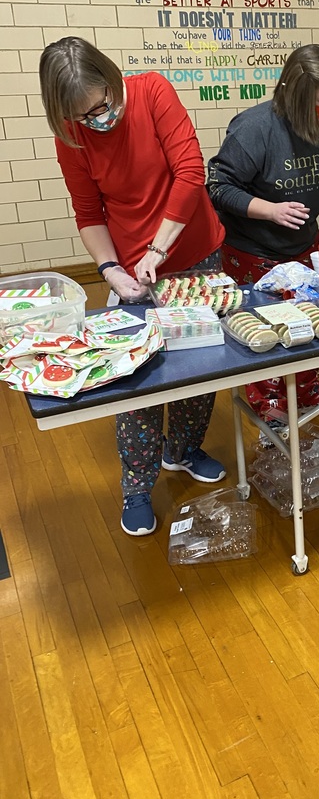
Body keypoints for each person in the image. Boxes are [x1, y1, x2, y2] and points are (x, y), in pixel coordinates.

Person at [39, 36, 227, 537]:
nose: (98, 119)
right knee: (137, 379)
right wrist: (110, 271)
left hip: (191, 249)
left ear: (112, 79)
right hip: (130, 269)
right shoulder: (72, 136)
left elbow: (190, 173)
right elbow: (88, 211)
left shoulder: (151, 93)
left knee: (199, 363)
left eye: (102, 105)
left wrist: (159, 250)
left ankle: (183, 451)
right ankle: (137, 487)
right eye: (83, 116)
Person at [207, 43, 319, 424]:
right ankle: (267, 405)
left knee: (309, 322)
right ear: (294, 94)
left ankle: (307, 392)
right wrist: (269, 210)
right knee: (264, 333)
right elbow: (219, 187)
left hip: (304, 247)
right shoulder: (255, 128)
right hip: (253, 250)